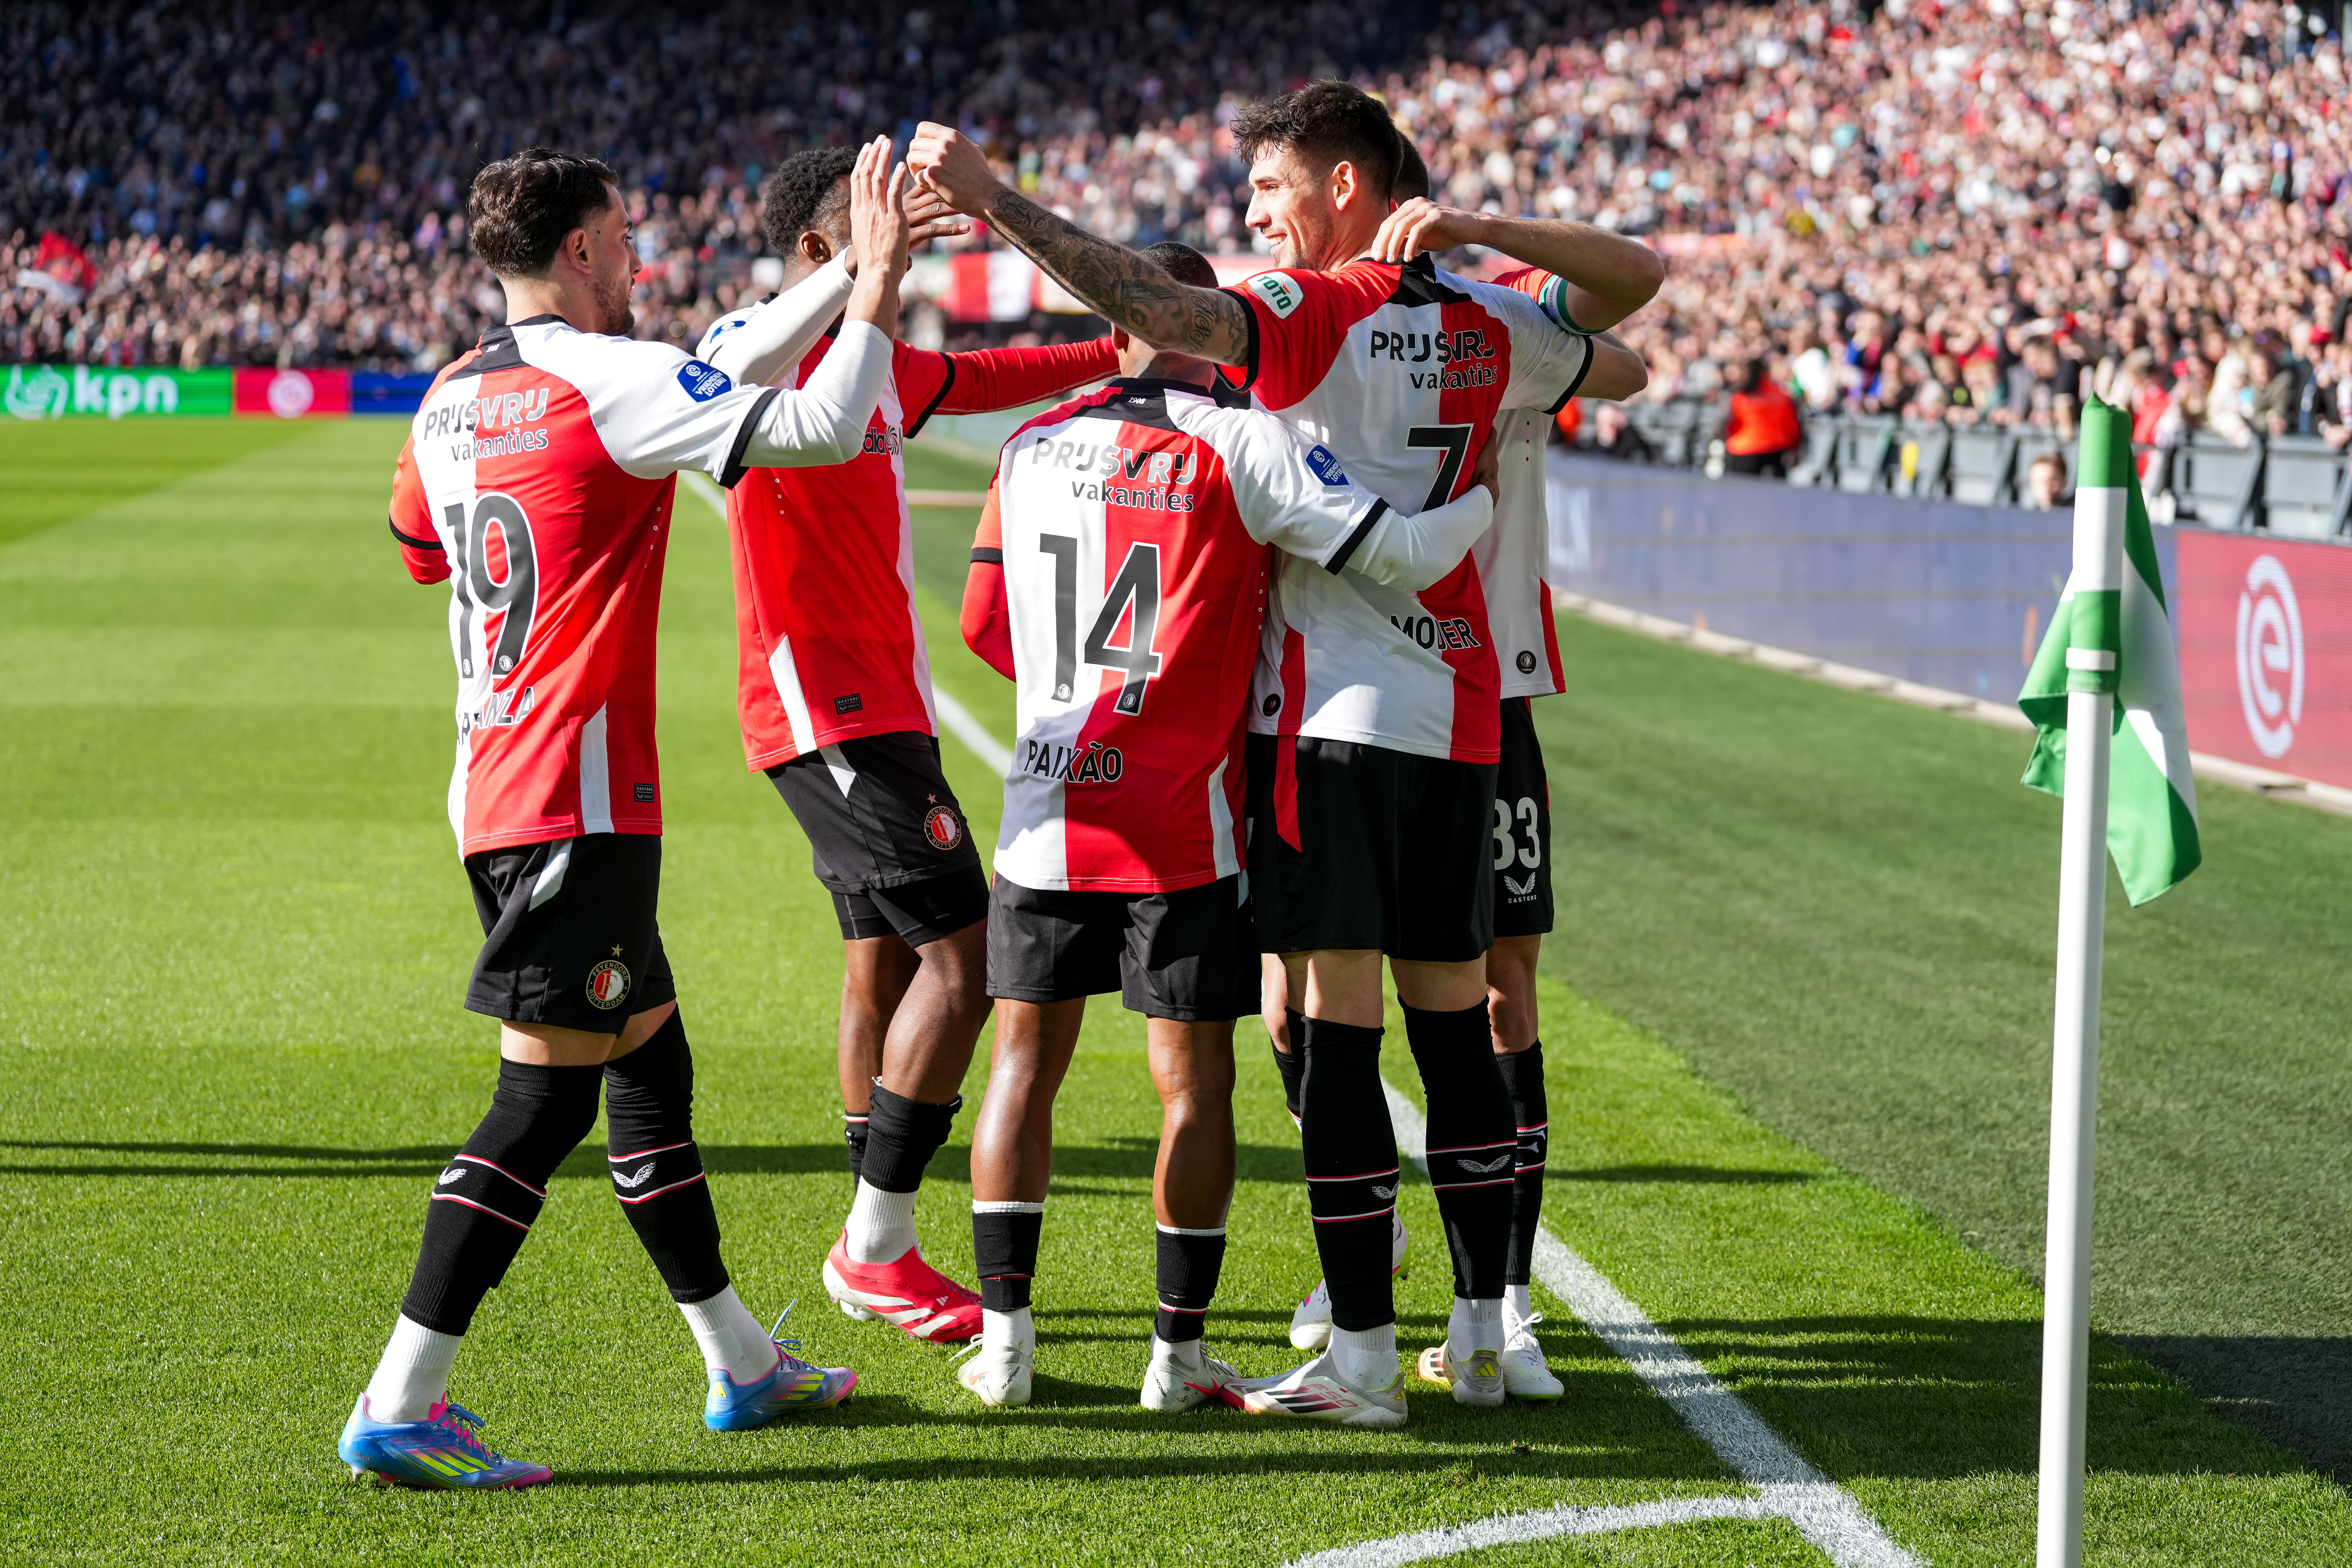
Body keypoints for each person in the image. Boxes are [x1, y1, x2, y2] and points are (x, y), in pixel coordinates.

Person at [913, 78, 1656, 1426]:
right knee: (1459, 1030)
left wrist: (993, 205)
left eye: (1269, 188)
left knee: (1329, 1030)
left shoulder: (1307, 314)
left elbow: (1159, 317)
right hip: (1462, 720)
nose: (1253, 212)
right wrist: (1477, 227)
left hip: (1325, 728)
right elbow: (1635, 294)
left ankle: (1361, 1360)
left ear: (1345, 189)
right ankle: (1484, 1335)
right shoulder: (1483, 317)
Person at [338, 140, 913, 1488]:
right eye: (626, 237)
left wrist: (833, 289)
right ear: (585, 251)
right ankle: (399, 1398)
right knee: (539, 1104)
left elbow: (419, 545)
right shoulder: (610, 381)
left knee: (646, 1058)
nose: (641, 261)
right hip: (573, 796)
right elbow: (822, 432)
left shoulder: (452, 395)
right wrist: (874, 288)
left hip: (497, 777)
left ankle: (739, 1360)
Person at [951, 240, 1503, 1414]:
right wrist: (1490, 489)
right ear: (1203, 321)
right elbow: (1396, 554)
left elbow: (985, 626)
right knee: (1193, 1084)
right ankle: (1175, 1357)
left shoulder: (1029, 444)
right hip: (1182, 820)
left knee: (1022, 1069)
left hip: (1046, 805)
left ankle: (1005, 1348)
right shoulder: (1240, 438)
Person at [694, 147, 1120, 1345]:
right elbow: (727, 367)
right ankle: (874, 1243)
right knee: (969, 962)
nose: (911, 245)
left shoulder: (877, 365)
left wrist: (1125, 343)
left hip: (882, 706)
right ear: (825, 246)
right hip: (825, 709)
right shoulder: (759, 339)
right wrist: (865, 273)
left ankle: (878, 1225)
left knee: (882, 966)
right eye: (881, 227)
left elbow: (1002, 374)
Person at [1722, 358, 1802, 477]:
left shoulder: (1738, 397)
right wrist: (1795, 448)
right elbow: (1792, 425)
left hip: (1743, 449)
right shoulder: (1781, 396)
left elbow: (1725, 422)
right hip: (1776, 450)